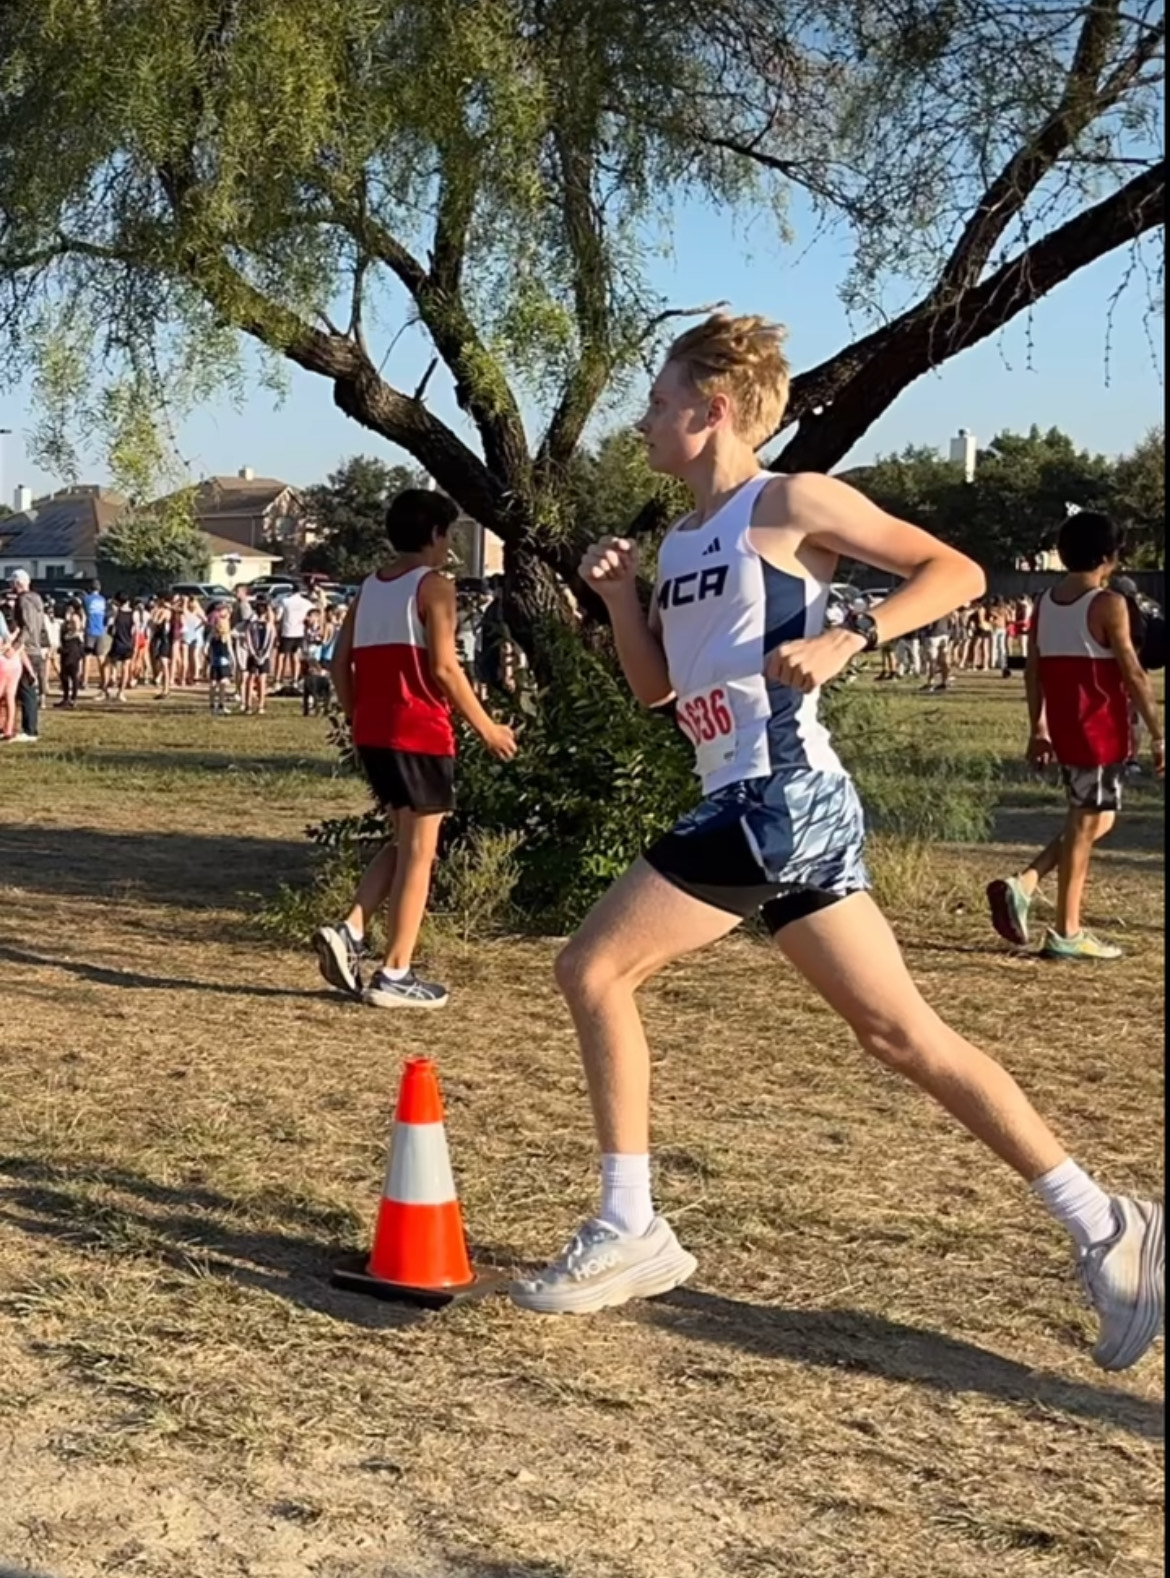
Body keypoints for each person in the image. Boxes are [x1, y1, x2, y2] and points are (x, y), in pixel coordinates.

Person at [507, 313, 1163, 1375]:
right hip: (767, 800)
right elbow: (655, 689)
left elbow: (956, 571)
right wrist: (619, 598)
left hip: (780, 795)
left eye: (659, 405)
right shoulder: (683, 542)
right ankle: (1106, 1224)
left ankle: (631, 1225)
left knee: (592, 966)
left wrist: (852, 633)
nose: (643, 424)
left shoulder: (791, 502)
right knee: (901, 1037)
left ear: (713, 411)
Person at [315, 489, 518, 1009]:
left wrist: (358, 713)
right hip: (421, 732)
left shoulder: (369, 588)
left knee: (403, 841)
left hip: (375, 731)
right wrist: (488, 728)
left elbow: (339, 662)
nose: (449, 545)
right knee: (422, 854)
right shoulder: (435, 587)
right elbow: (445, 669)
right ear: (434, 535)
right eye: (448, 534)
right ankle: (396, 971)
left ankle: (353, 929)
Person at [987, 512, 1164, 963]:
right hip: (1100, 731)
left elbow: (1035, 672)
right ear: (1109, 556)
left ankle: (1024, 883)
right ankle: (1067, 931)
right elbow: (1133, 672)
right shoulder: (1107, 604)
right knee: (1086, 827)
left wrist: (1038, 728)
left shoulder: (1045, 602)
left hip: (1067, 728)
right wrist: (1160, 733)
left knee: (1097, 819)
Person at [7, 571, 45, 739]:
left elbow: (27, 628)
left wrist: (15, 647)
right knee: (27, 689)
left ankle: (29, 730)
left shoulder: (24, 600)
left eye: (13, 584)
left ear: (18, 583)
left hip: (27, 650)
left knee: (25, 690)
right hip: (36, 649)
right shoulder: (37, 599)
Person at [243, 598, 276, 715]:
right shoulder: (252, 625)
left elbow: (270, 642)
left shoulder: (269, 626)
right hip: (255, 655)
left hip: (263, 655)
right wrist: (254, 654)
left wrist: (263, 656)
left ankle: (259, 705)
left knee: (261, 680)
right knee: (251, 679)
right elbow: (249, 639)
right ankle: (248, 705)